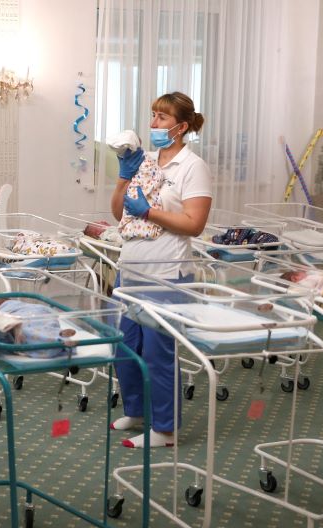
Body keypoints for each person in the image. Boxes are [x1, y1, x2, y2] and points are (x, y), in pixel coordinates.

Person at [110, 91, 213, 448]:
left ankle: (165, 429)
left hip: (166, 274)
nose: (153, 124)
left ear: (181, 126)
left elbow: (194, 223)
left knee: (158, 354)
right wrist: (124, 178)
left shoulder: (192, 166)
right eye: (153, 116)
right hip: (131, 270)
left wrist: (149, 212)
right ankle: (136, 410)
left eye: (162, 118)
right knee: (124, 348)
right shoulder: (146, 160)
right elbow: (118, 212)